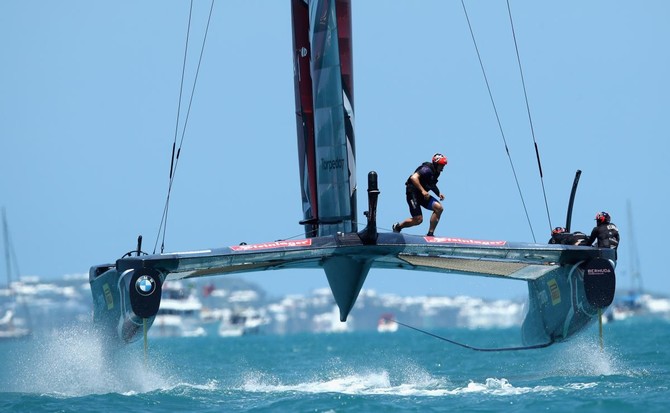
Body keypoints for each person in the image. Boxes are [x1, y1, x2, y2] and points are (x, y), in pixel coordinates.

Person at [392, 153, 447, 237]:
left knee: (439, 208)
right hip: (412, 193)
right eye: (441, 165)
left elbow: (431, 184)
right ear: (436, 164)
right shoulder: (426, 169)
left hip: (422, 196)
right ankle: (398, 227)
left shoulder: (436, 173)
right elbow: (413, 178)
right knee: (418, 220)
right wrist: (423, 191)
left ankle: (430, 234)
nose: (443, 167)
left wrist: (438, 193)